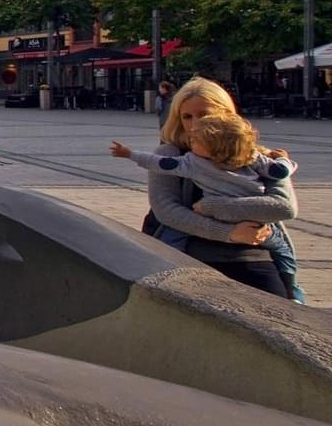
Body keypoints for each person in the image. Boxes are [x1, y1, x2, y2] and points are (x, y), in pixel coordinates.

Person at [112, 114, 301, 302]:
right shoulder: (190, 159)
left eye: (204, 115)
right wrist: (130, 154)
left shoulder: (252, 156)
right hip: (203, 247)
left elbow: (283, 204)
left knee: (282, 255)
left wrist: (215, 206)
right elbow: (166, 200)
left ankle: (293, 293)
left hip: (254, 246)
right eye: (187, 117)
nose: (193, 127)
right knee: (170, 244)